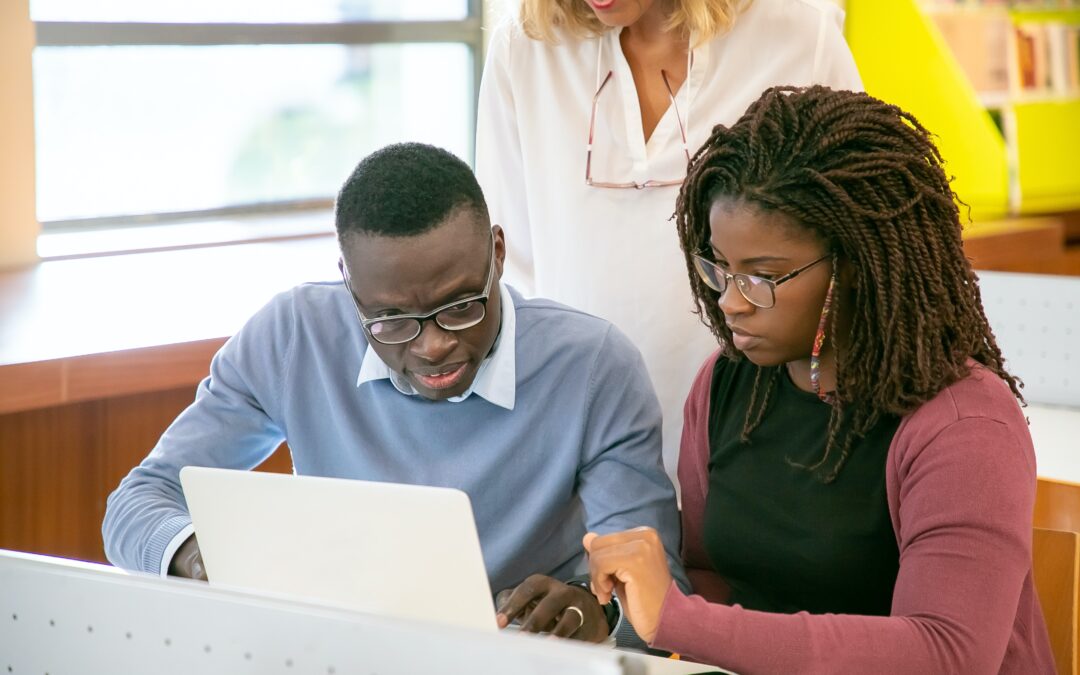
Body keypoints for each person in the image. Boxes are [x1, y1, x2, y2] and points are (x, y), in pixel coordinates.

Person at [102, 142, 686, 644]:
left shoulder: (592, 367)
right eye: (390, 320)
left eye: (460, 306)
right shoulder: (293, 336)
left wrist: (596, 614)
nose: (432, 346)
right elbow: (134, 505)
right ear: (349, 285)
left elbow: (661, 593)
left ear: (499, 254)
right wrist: (214, 562)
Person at [581, 86, 1056, 672]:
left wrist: (681, 618)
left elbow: (947, 653)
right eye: (718, 268)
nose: (730, 302)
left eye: (762, 276)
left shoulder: (964, 424)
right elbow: (711, 574)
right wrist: (606, 611)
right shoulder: (728, 385)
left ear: (855, 264)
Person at [476, 0, 863, 481]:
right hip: (581, 450)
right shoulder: (525, 49)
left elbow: (858, 250)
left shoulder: (799, 35)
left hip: (765, 445)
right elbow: (513, 275)